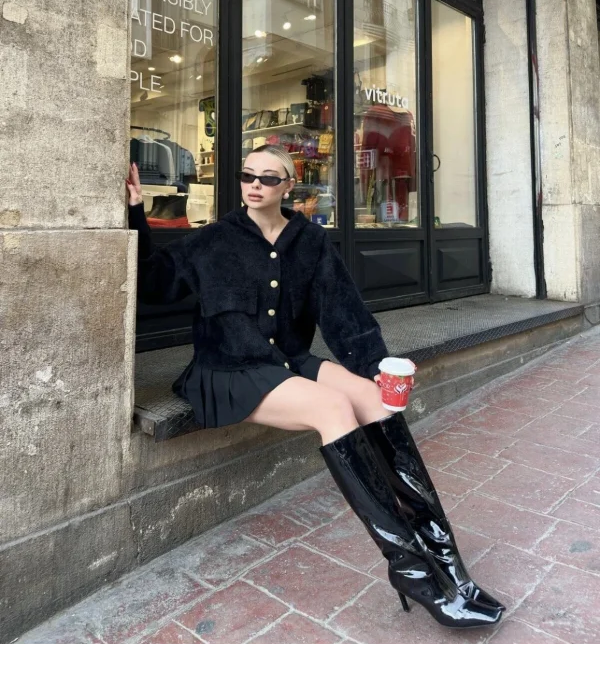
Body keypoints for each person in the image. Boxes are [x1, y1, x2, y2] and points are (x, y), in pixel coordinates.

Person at [126, 144, 505, 630]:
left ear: (288, 186)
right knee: (332, 408)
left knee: (373, 400)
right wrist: (136, 212)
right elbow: (152, 284)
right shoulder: (213, 239)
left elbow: (345, 313)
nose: (255, 184)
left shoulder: (309, 240)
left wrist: (377, 366)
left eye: (269, 177)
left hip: (289, 359)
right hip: (228, 369)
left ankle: (448, 563)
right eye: (247, 175)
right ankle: (412, 570)